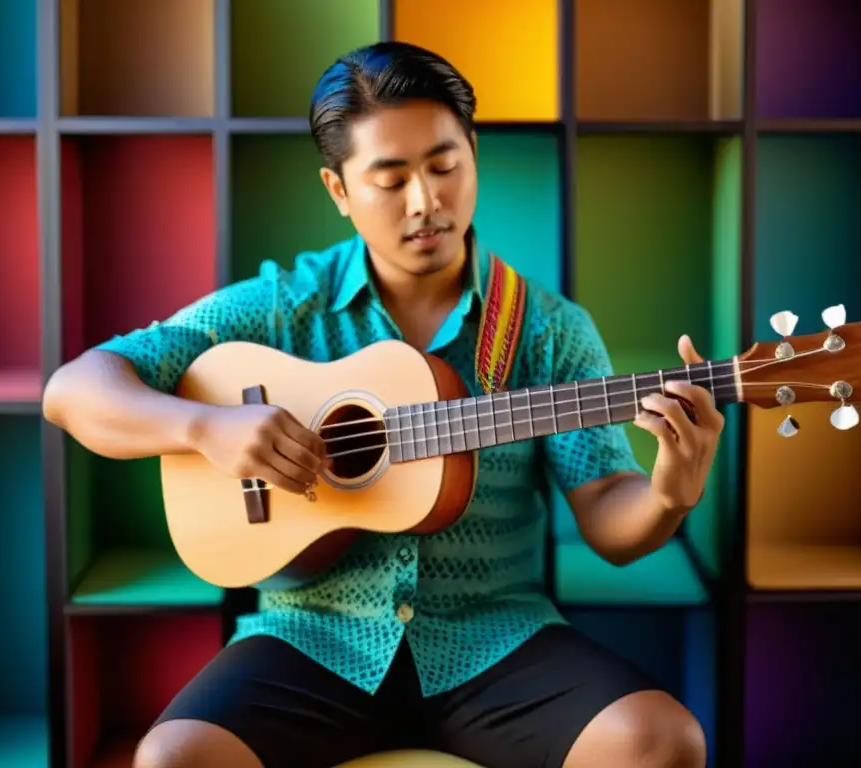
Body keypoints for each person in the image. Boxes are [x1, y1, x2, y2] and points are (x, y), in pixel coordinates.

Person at [43, 41, 722, 768]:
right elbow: (74, 390)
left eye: (444, 165)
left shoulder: (546, 328)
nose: (426, 202)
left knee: (663, 743)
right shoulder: (280, 309)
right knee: (170, 761)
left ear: (474, 154)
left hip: (494, 640)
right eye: (390, 179)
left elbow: (608, 517)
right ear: (338, 190)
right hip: (311, 640)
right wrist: (206, 427)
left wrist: (669, 496)